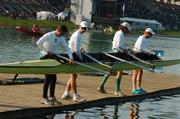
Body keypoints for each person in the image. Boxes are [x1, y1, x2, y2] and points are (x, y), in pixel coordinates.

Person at [36, 25, 74, 105]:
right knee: (48, 78)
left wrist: (71, 58)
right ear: (58, 30)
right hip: (44, 56)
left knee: (54, 78)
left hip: (52, 57)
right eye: (61, 33)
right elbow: (38, 43)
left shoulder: (62, 38)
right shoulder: (48, 35)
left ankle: (52, 97)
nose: (62, 35)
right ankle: (44, 98)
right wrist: (46, 51)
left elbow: (67, 48)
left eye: (63, 34)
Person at [98, 22, 131, 96]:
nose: (127, 31)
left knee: (111, 70)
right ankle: (117, 90)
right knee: (120, 71)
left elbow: (118, 44)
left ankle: (101, 86)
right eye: (127, 29)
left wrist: (126, 48)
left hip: (114, 52)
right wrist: (126, 49)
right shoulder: (121, 34)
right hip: (118, 54)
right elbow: (119, 46)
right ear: (124, 28)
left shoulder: (118, 33)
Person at [61, 21, 88, 102]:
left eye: (85, 28)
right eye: (82, 28)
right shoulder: (77, 35)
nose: (83, 29)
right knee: (73, 76)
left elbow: (77, 48)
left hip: (73, 54)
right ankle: (75, 96)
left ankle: (66, 93)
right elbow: (76, 51)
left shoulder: (79, 34)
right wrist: (82, 60)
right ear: (79, 26)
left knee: (74, 76)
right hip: (72, 56)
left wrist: (81, 49)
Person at [132, 28, 159, 94]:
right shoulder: (141, 38)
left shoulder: (146, 39)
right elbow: (140, 48)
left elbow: (147, 48)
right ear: (147, 33)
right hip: (136, 55)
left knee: (140, 71)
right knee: (136, 72)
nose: (151, 36)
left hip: (141, 55)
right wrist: (148, 51)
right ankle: (133, 88)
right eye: (151, 34)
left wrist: (151, 50)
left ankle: (139, 87)